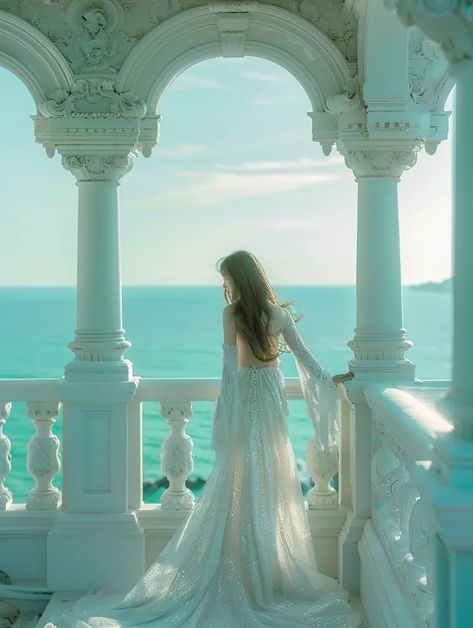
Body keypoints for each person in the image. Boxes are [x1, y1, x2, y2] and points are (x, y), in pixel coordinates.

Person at [44, 251, 360, 628]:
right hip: (271, 402)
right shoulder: (278, 313)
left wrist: (226, 419)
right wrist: (332, 381)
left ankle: (244, 569)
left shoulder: (232, 314)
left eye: (226, 278)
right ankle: (263, 571)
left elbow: (229, 370)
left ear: (238, 280)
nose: (224, 286)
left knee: (240, 484)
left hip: (247, 402)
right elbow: (306, 360)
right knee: (269, 484)